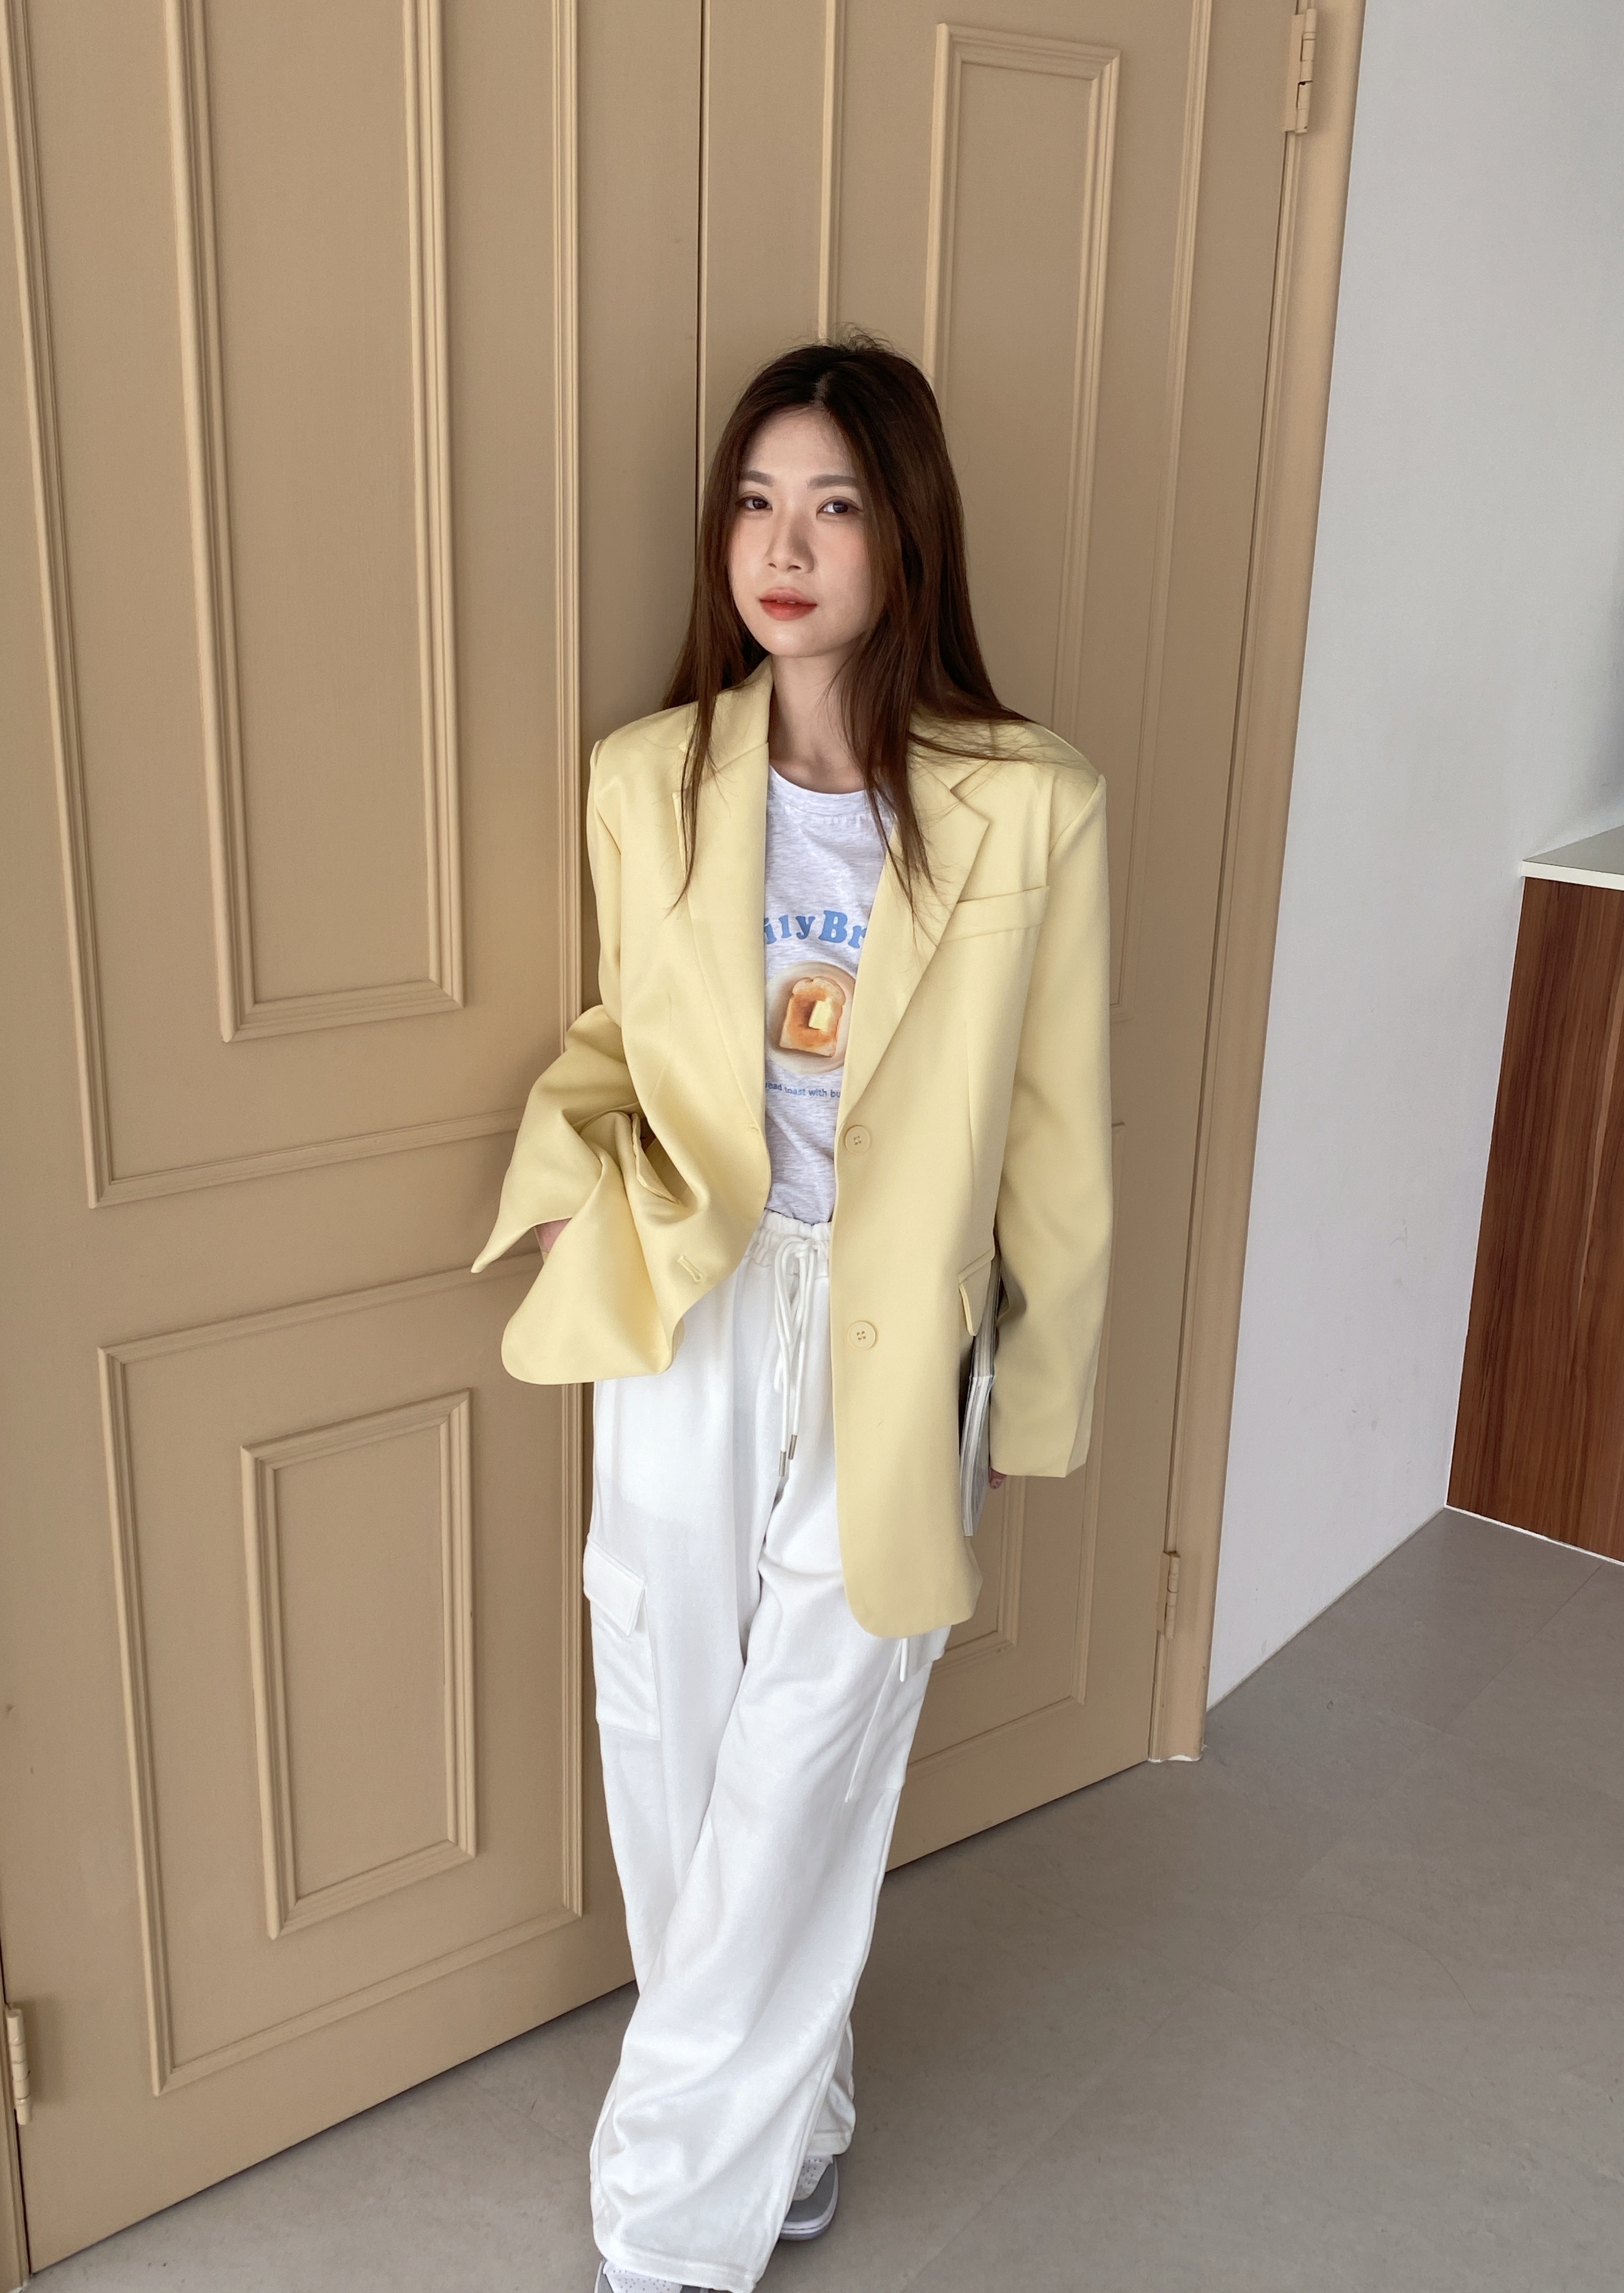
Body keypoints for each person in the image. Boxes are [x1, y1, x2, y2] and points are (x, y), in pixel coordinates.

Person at [471, 335, 1112, 2293]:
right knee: (670, 1718)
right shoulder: (648, 778)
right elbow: (616, 1034)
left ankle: (669, 2227)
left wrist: (1039, 1396)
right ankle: (796, 2112)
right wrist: (566, 1188)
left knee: (810, 1756)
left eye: (833, 504)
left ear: (905, 534)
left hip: (897, 1331)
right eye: (757, 500)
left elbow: (1057, 1124)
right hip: (690, 1297)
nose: (786, 544)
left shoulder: (1031, 802)